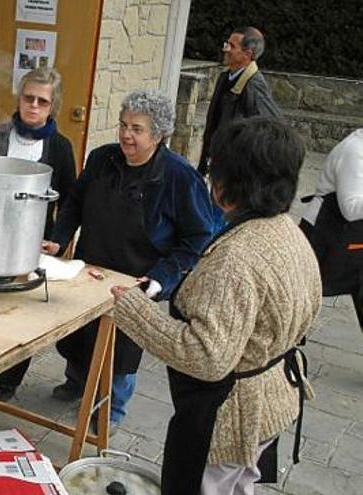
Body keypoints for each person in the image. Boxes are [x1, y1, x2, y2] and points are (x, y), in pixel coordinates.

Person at [110, 117, 320, 494]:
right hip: (270, 398)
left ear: (229, 184)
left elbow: (207, 357)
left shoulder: (238, 257)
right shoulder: (289, 231)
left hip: (231, 416)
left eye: (213, 170)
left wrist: (133, 309)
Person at [46, 89, 218, 429]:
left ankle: (112, 410)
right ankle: (78, 382)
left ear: (158, 134)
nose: (126, 134)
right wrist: (58, 239)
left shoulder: (180, 177)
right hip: (90, 267)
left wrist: (161, 278)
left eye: (137, 129)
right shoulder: (101, 159)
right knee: (78, 335)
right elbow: (75, 204)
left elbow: (198, 236)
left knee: (121, 351)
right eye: (123, 125)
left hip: (134, 280)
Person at [0, 67, 76, 400]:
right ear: (19, 99)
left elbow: (70, 200)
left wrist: (59, 239)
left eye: (42, 101)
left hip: (32, 242)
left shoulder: (60, 148)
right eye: (28, 98)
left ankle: (8, 381)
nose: (33, 106)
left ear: (52, 107)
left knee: (21, 313)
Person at [300, 128, 363, 331]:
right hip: (325, 235)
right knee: (300, 300)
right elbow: (351, 209)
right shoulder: (354, 151)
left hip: (351, 240)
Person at [198, 26, 282, 176]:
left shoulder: (254, 87)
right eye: (226, 43)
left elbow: (272, 130)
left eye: (231, 46)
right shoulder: (226, 77)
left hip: (236, 173)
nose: (225, 49)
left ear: (247, 54)